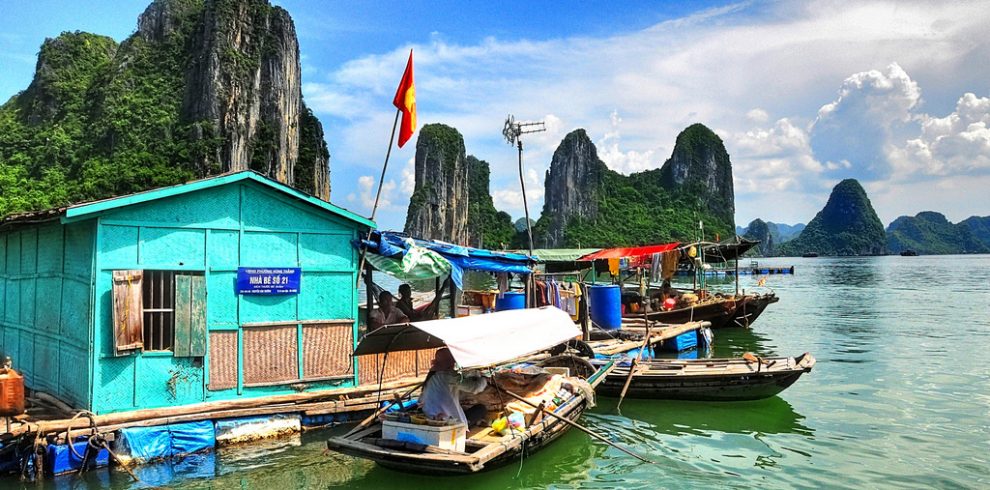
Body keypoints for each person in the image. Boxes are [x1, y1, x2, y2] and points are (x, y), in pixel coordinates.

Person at [419, 348, 488, 426]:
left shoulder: (433, 373)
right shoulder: (448, 375)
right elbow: (475, 387)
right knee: (481, 409)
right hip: (443, 421)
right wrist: (484, 379)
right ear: (451, 361)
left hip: (428, 414)